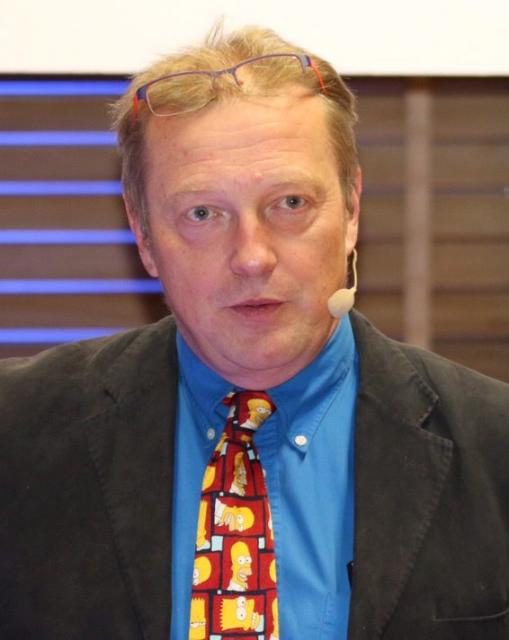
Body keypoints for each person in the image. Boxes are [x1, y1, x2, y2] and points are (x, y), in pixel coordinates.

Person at [1, 25, 508, 640]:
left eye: (290, 203)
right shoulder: (16, 431)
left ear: (351, 210)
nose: (252, 257)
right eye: (202, 213)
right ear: (143, 234)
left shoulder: (495, 446)